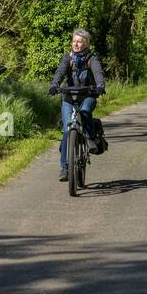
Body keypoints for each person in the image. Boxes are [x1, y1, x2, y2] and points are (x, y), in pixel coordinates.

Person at [47, 28, 105, 182]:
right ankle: (65, 168)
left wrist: (100, 85)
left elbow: (98, 72)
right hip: (69, 97)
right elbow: (60, 72)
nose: (76, 44)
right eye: (74, 41)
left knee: (85, 111)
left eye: (79, 41)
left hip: (88, 95)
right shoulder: (68, 58)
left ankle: (90, 138)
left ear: (86, 43)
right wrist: (54, 85)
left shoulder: (91, 59)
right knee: (67, 130)